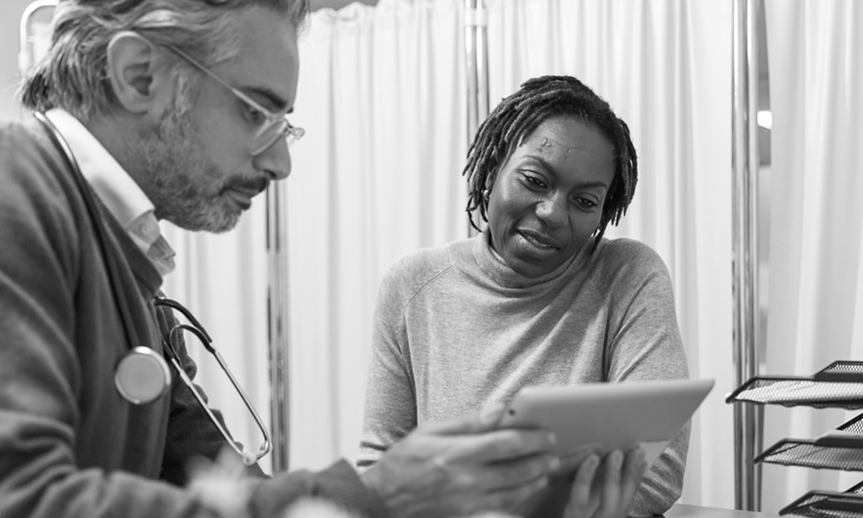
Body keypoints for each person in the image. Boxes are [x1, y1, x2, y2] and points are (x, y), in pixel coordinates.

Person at [0, 1, 565, 517]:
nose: (279, 163)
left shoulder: (127, 258)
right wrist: (377, 492)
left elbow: (215, 480)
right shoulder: (15, 193)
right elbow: (27, 499)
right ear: (138, 76)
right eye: (255, 113)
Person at [359, 75, 690, 518]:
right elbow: (382, 473)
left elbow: (654, 471)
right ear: (493, 168)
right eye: (535, 180)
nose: (553, 212)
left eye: (585, 202)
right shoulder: (411, 286)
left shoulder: (628, 276)